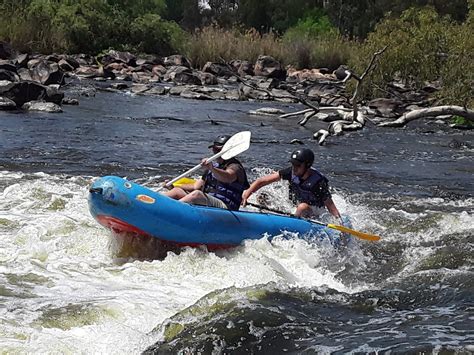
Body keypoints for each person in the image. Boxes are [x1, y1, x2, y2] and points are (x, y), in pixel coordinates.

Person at [241, 148, 342, 220]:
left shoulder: (318, 182)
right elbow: (262, 181)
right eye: (293, 164)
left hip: (315, 213)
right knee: (262, 197)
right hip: (295, 208)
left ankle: (294, 223)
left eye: (298, 165)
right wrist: (246, 195)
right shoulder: (291, 172)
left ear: (307, 165)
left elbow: (331, 206)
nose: (294, 168)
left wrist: (340, 224)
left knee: (302, 207)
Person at [164, 135, 250, 210]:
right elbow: (196, 186)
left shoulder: (236, 167)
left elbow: (228, 177)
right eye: (214, 150)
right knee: (177, 191)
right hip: (209, 202)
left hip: (226, 207)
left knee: (197, 195)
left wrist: (212, 168)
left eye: (218, 150)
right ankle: (155, 204)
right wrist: (174, 186)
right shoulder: (214, 166)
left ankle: (169, 210)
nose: (215, 153)